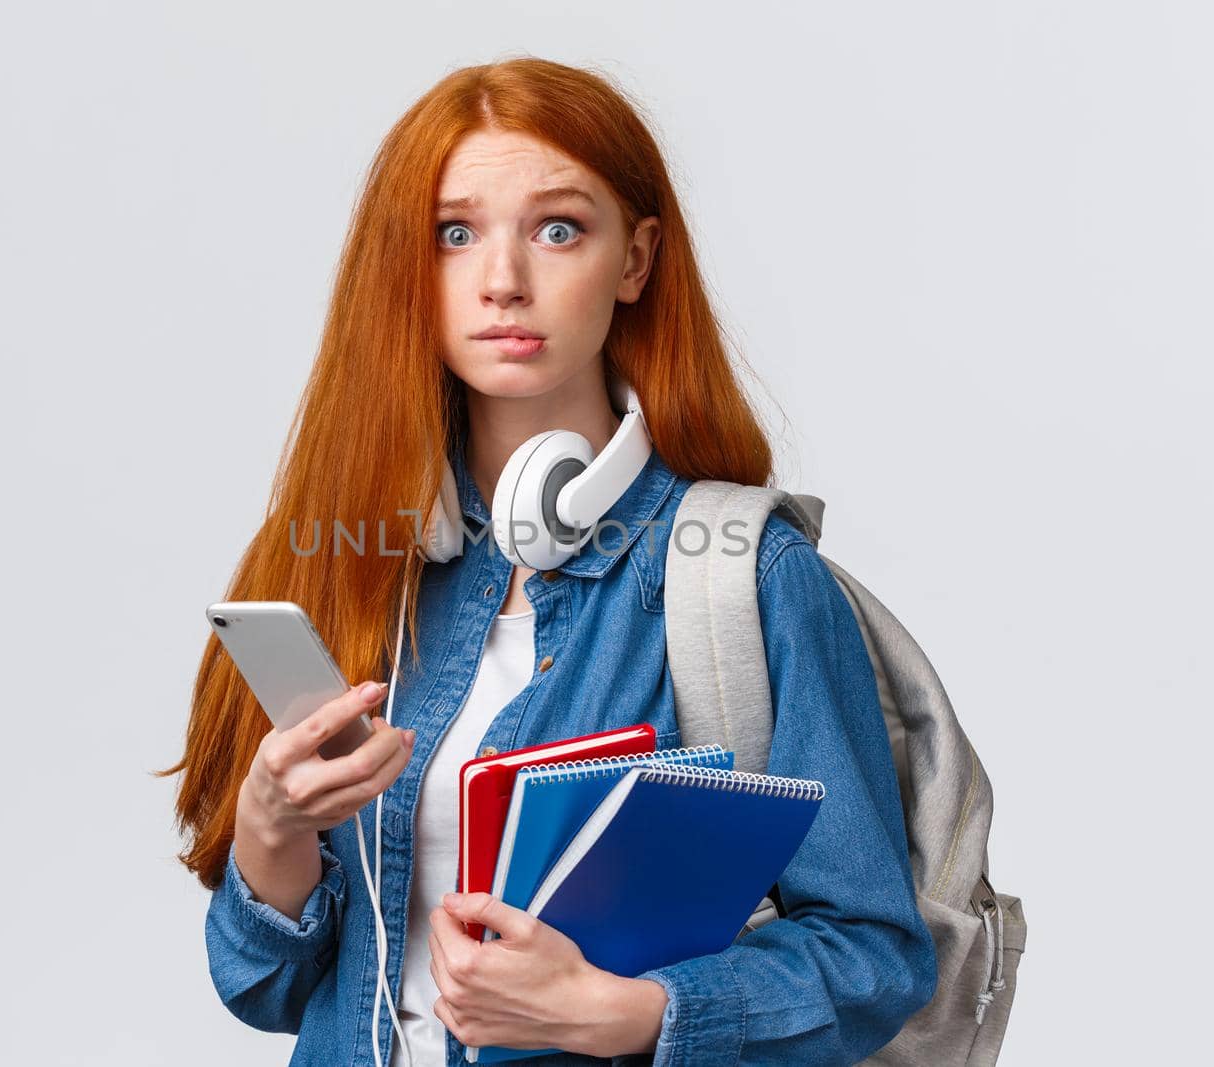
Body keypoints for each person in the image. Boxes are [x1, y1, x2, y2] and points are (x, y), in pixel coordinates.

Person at [160, 56, 937, 1067]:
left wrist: (620, 1012)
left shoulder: (744, 577)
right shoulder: (338, 564)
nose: (502, 281)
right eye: (454, 232)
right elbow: (266, 988)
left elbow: (872, 957)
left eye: (558, 228)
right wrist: (269, 832)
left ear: (635, 259)